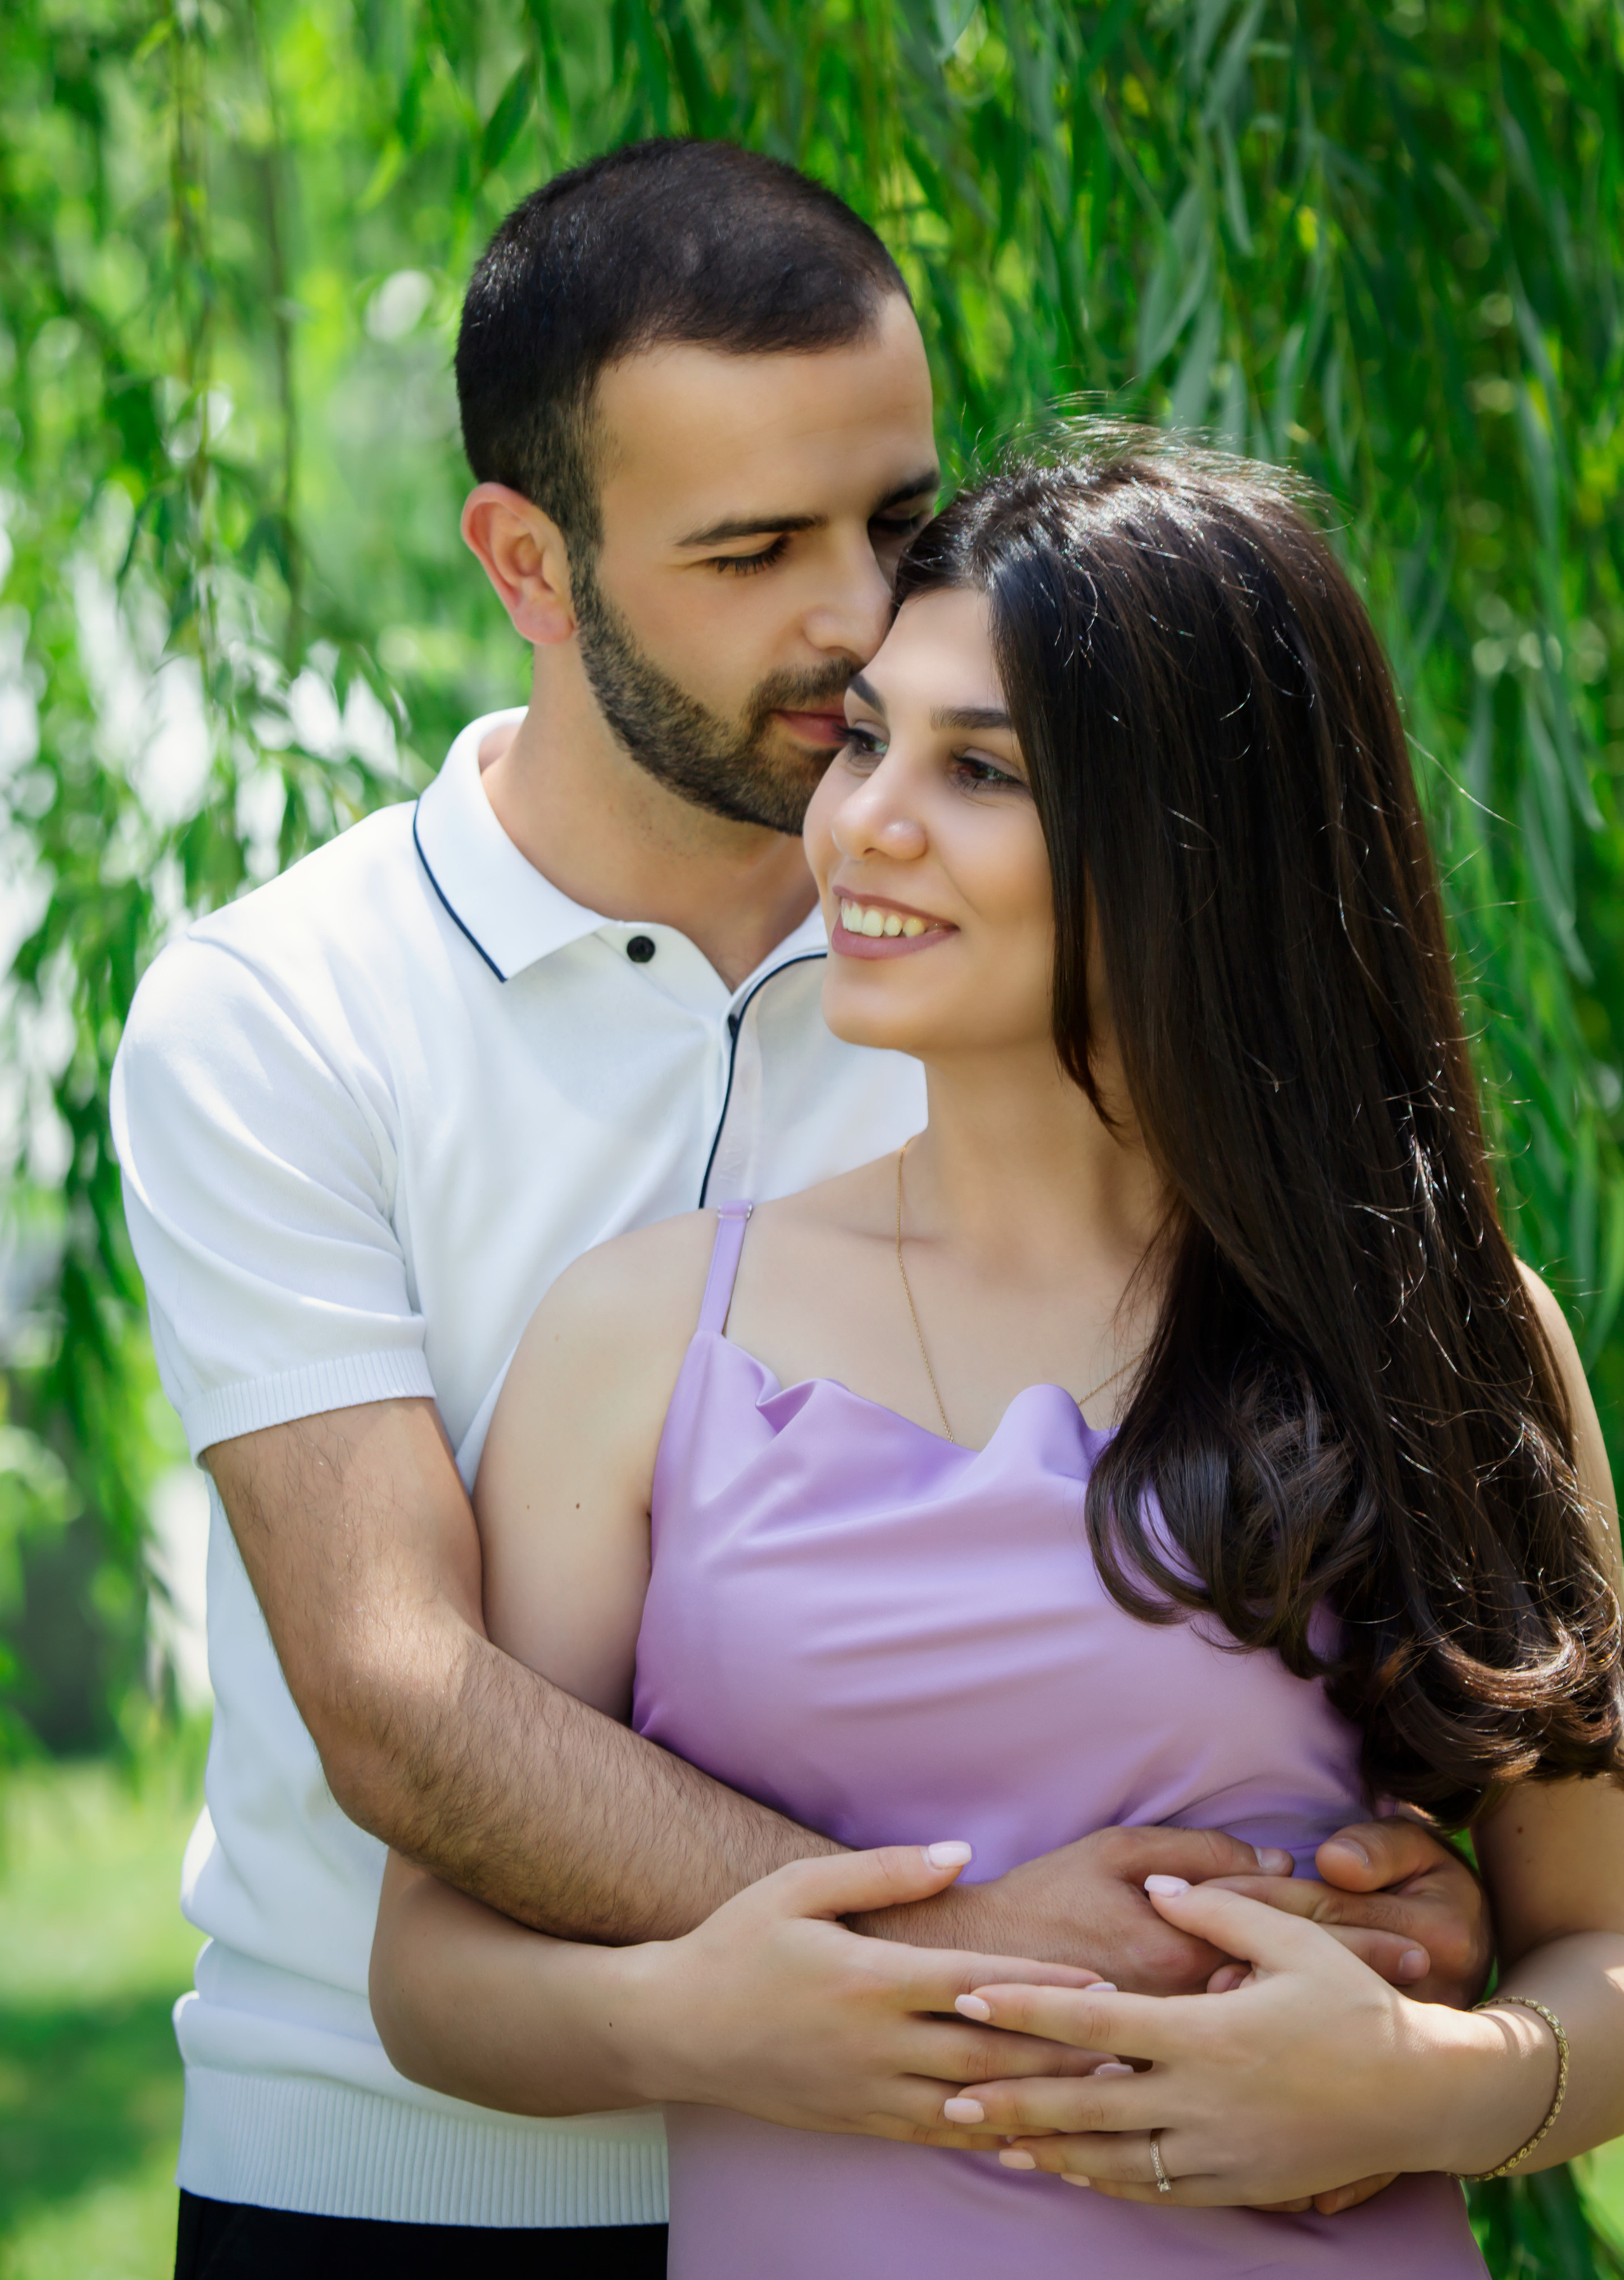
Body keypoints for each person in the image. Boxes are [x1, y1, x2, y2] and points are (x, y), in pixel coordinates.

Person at [113, 140, 1488, 2278]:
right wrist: (969, 1955)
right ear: (529, 563)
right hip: (419, 2177)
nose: (856, 613)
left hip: (1009, 2172)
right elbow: (399, 1692)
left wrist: (1376, 1893)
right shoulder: (279, 1020)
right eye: (754, 548)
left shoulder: (1021, 952)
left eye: (896, 519)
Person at [369, 433, 1624, 2280]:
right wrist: (719, 2020)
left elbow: (1597, 1948)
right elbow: (429, 1969)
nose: (865, 820)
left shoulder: (1440, 1325)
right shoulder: (643, 1334)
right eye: (867, 738)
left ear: (1203, 843)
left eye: (982, 771)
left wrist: (1421, 2087)